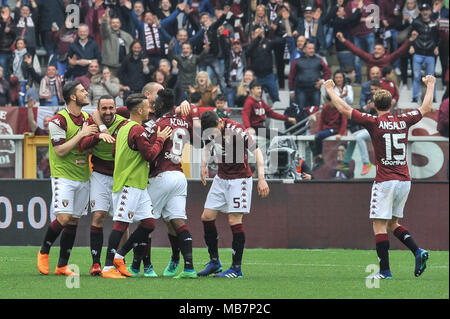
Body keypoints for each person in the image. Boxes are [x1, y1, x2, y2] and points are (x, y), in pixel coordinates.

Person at [324, 75, 436, 280]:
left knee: (378, 225)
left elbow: (344, 109)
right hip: (404, 179)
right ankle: (418, 251)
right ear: (392, 104)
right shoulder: (404, 119)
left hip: (385, 181)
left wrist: (330, 89)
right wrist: (431, 84)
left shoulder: (373, 121)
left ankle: (385, 272)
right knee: (393, 223)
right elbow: (426, 107)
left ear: (374, 105)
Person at [101, 93, 172, 279]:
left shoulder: (124, 127)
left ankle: (119, 256)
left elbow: (116, 150)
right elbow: (149, 155)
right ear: (140, 110)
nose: (151, 110)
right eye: (148, 107)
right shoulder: (138, 130)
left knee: (148, 224)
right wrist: (160, 139)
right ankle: (108, 267)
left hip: (138, 184)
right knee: (121, 225)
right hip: (128, 184)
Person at [197, 110, 270, 278]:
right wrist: (203, 165)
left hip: (240, 180)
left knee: (233, 220)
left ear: (221, 123)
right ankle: (214, 262)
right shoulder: (209, 130)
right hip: (221, 178)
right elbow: (207, 147)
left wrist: (261, 178)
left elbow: (257, 152)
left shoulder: (237, 131)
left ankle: (236, 269)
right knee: (206, 217)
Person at [36, 81, 99, 276]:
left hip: (83, 176)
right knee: (63, 217)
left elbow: (88, 146)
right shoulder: (58, 120)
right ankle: (43, 252)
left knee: (73, 221)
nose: (85, 92)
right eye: (82, 90)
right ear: (73, 96)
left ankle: (62, 266)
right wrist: (81, 135)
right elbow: (60, 151)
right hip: (63, 176)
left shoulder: (88, 118)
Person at [138, 88, 198, 279]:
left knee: (146, 221)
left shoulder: (158, 124)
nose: (153, 104)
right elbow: (197, 141)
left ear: (162, 104)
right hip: (179, 175)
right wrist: (186, 114)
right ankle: (186, 266)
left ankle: (146, 267)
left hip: (161, 175)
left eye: (156, 102)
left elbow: (146, 149)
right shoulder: (184, 121)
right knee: (176, 221)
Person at [78, 95, 127, 277]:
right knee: (98, 216)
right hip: (99, 174)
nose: (108, 112)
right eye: (104, 108)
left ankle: (120, 260)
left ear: (116, 108)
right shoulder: (92, 123)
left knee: (122, 220)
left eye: (111, 108)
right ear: (98, 110)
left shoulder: (123, 123)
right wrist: (99, 135)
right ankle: (96, 263)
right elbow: (83, 145)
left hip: (120, 176)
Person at [336, 30, 418, 83]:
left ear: (383, 52)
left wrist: (410, 39)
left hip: (384, 85)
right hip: (370, 86)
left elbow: (400, 51)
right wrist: (343, 40)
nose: (376, 51)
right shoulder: (369, 57)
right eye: (375, 49)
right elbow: (356, 50)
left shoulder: (388, 58)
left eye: (379, 49)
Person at [288, 41, 331, 110]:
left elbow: (328, 72)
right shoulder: (296, 61)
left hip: (315, 90)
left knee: (315, 111)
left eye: (313, 49)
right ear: (304, 49)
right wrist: (291, 91)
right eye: (309, 48)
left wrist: (322, 81)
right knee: (302, 111)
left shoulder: (319, 60)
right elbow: (291, 76)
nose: (312, 50)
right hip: (301, 90)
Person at [411, 3, 440, 103]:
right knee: (416, 76)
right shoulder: (416, 22)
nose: (425, 12)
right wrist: (411, 45)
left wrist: (437, 46)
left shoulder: (435, 24)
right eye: (423, 10)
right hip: (418, 52)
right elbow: (411, 35)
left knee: (431, 78)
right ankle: (415, 97)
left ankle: (433, 97)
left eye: (427, 10)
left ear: (430, 12)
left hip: (430, 53)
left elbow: (438, 37)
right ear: (421, 12)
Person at [312, 93, 348, 171]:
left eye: (328, 101)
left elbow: (344, 123)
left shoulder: (340, 108)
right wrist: (319, 132)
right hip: (326, 130)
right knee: (315, 138)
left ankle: (319, 157)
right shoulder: (325, 108)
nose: (326, 103)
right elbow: (322, 121)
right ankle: (319, 157)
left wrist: (340, 133)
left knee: (318, 136)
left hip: (334, 129)